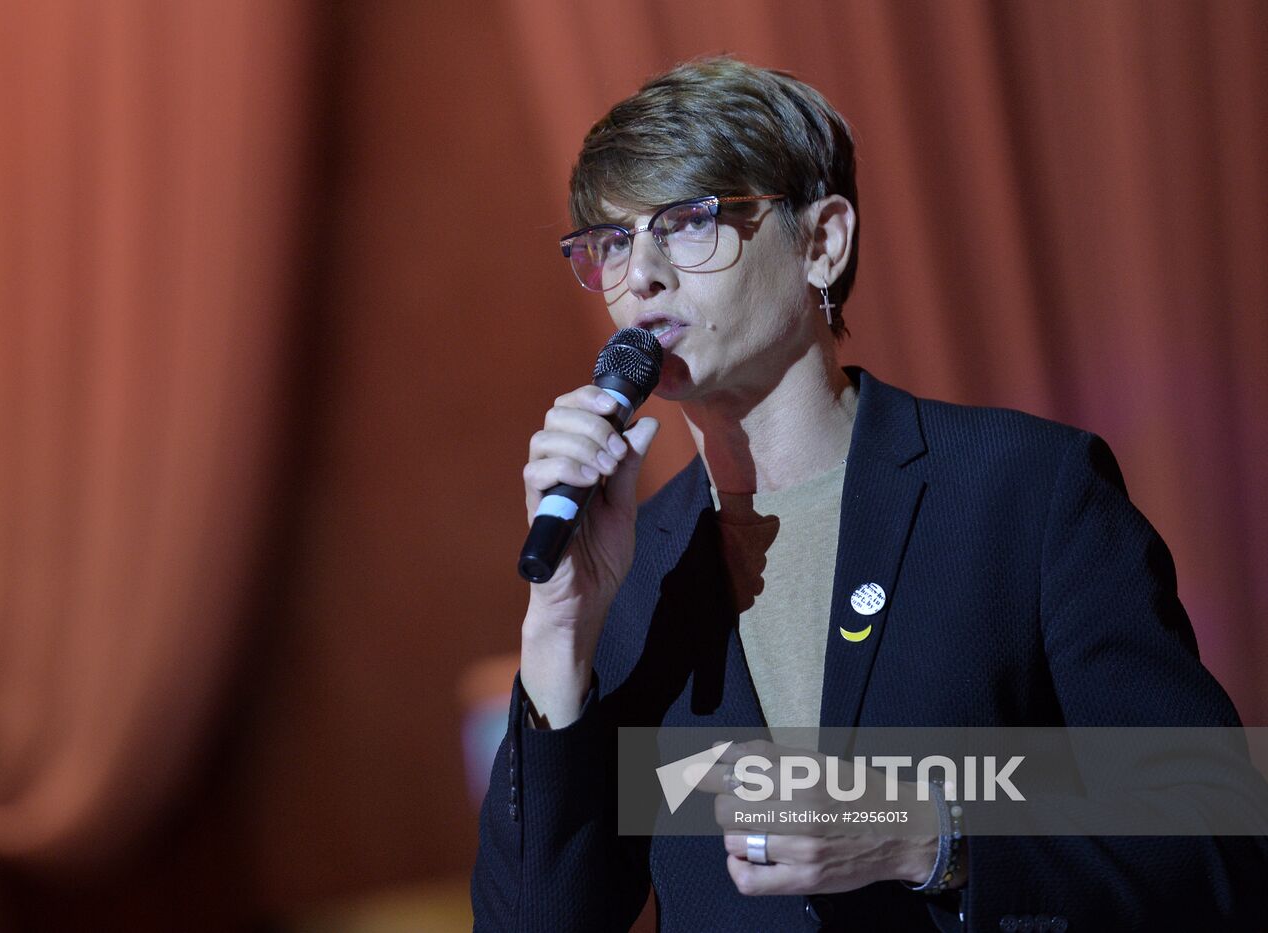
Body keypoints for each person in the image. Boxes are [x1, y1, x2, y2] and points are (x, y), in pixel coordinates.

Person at [472, 57, 1265, 931]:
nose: (642, 275)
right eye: (614, 242)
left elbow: (1219, 844)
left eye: (688, 222)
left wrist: (931, 837)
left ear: (822, 242)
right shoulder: (629, 575)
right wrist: (556, 627)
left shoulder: (1022, 491)